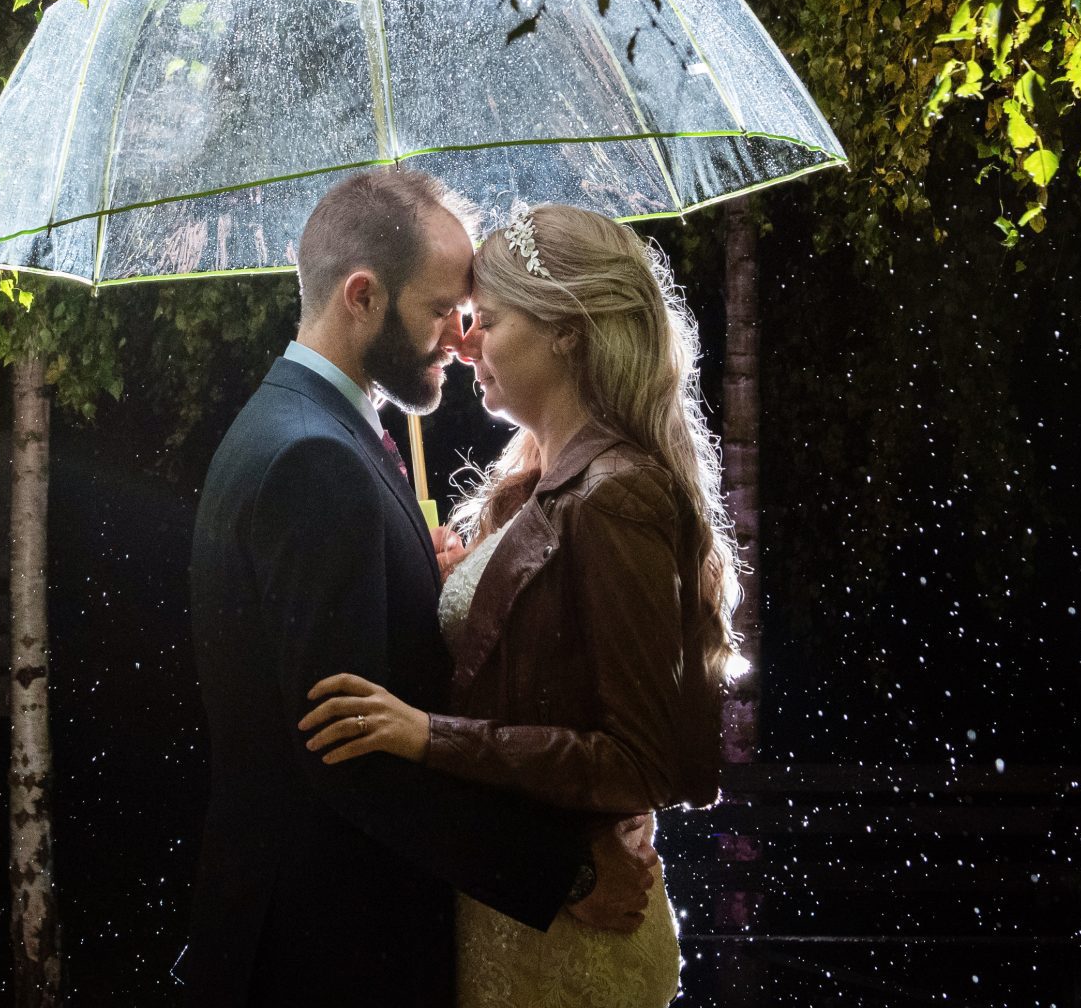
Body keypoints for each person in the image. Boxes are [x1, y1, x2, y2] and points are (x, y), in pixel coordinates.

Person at [184, 169, 660, 1008]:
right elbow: (351, 756)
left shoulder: (303, 427)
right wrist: (566, 875)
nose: (460, 334)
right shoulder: (314, 462)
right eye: (441, 309)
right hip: (329, 955)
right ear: (361, 295)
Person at [295, 202, 735, 1008]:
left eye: (483, 321)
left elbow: (640, 760)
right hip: (515, 916)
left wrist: (431, 738)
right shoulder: (549, 476)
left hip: (572, 949)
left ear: (566, 332)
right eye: (460, 321)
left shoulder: (617, 495)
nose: (463, 342)